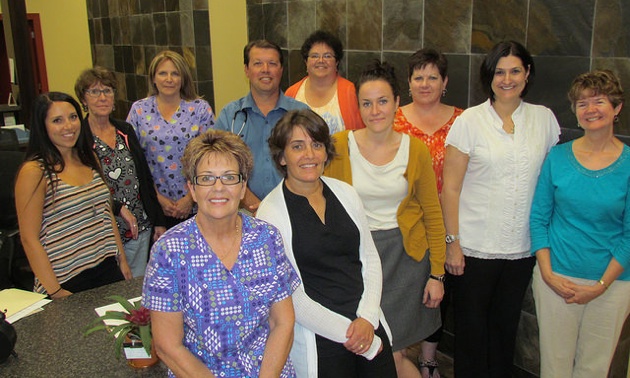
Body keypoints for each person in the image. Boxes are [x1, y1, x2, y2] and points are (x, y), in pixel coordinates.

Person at [441, 41, 560, 377]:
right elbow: (450, 187)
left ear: (527, 74)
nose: (507, 79)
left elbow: (550, 183)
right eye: (499, 72)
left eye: (515, 71)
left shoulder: (544, 120)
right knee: (471, 333)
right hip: (474, 248)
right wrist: (453, 242)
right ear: (489, 76)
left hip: (522, 249)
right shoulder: (470, 121)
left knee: (505, 330)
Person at [143, 129, 300, 377]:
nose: (218, 188)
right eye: (206, 178)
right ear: (192, 189)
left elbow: (283, 322)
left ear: (242, 187)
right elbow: (167, 346)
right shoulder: (169, 251)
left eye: (229, 177)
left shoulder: (266, 239)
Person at [324, 61, 446, 378]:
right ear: (358, 106)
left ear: (396, 103)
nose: (375, 110)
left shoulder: (415, 150)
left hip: (405, 260)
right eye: (366, 103)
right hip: (358, 259)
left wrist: (437, 274)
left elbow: (433, 214)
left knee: (395, 350)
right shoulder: (338, 146)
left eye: (382, 101)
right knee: (371, 349)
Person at [257, 109, 397, 378]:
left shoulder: (346, 193)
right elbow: (289, 296)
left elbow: (369, 258)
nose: (309, 155)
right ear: (282, 156)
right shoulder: (270, 213)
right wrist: (350, 333)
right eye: (297, 146)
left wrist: (367, 319)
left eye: (316, 145)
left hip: (366, 321)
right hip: (320, 335)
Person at [530, 70, 630, 377]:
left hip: (611, 284)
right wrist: (547, 273)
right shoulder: (557, 158)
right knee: (555, 366)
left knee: (594, 368)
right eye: (582, 103)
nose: (590, 110)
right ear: (574, 110)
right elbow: (538, 218)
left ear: (617, 108)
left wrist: (600, 286)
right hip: (556, 279)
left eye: (599, 101)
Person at [15, 92, 132, 298]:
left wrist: (121, 259)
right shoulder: (35, 171)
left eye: (73, 117)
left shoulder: (89, 158)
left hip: (106, 268)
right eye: (57, 120)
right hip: (65, 279)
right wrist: (56, 291)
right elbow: (29, 239)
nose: (68, 126)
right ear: (42, 126)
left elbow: (106, 213)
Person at [393, 48, 463, 378]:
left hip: (448, 222)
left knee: (438, 293)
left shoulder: (464, 121)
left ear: (445, 82)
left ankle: (430, 360)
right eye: (418, 77)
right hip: (400, 225)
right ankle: (397, 358)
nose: (425, 84)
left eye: (432, 77)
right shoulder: (392, 118)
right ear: (408, 83)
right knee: (402, 294)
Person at [75, 66, 166, 278]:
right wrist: (116, 207)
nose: (102, 97)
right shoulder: (79, 137)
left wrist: (157, 220)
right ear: (83, 99)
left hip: (137, 225)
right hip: (101, 230)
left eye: (107, 91)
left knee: (134, 287)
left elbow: (143, 176)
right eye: (94, 92)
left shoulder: (124, 130)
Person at [215, 40, 308, 213]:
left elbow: (313, 163)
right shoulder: (230, 116)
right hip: (242, 212)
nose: (265, 69)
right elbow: (217, 167)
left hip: (293, 210)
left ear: (281, 69)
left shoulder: (301, 114)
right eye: (258, 63)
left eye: (272, 63)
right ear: (246, 70)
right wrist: (250, 202)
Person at [127, 50, 214, 228]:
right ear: (153, 78)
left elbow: (210, 157)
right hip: (155, 206)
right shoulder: (139, 110)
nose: (169, 79)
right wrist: (156, 197)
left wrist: (190, 198)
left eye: (175, 73)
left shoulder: (199, 109)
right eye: (162, 73)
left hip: (197, 203)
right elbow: (132, 159)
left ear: (183, 78)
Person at [285, 30, 364, 133]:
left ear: (337, 62)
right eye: (314, 56)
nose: (321, 60)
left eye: (327, 56)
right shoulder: (292, 94)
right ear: (306, 62)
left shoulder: (351, 92)